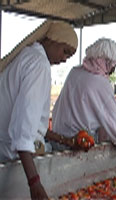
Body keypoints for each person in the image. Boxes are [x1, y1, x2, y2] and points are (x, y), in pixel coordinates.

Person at [0, 20, 78, 199]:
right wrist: (34, 183)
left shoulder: (28, 55)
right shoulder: (38, 64)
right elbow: (23, 132)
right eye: (65, 51)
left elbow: (32, 122)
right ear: (52, 40)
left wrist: (65, 140)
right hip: (13, 158)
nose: (65, 58)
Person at [51, 38, 116, 170]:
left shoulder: (75, 72)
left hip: (58, 139)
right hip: (78, 145)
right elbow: (115, 122)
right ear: (106, 62)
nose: (114, 69)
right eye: (114, 64)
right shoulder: (99, 83)